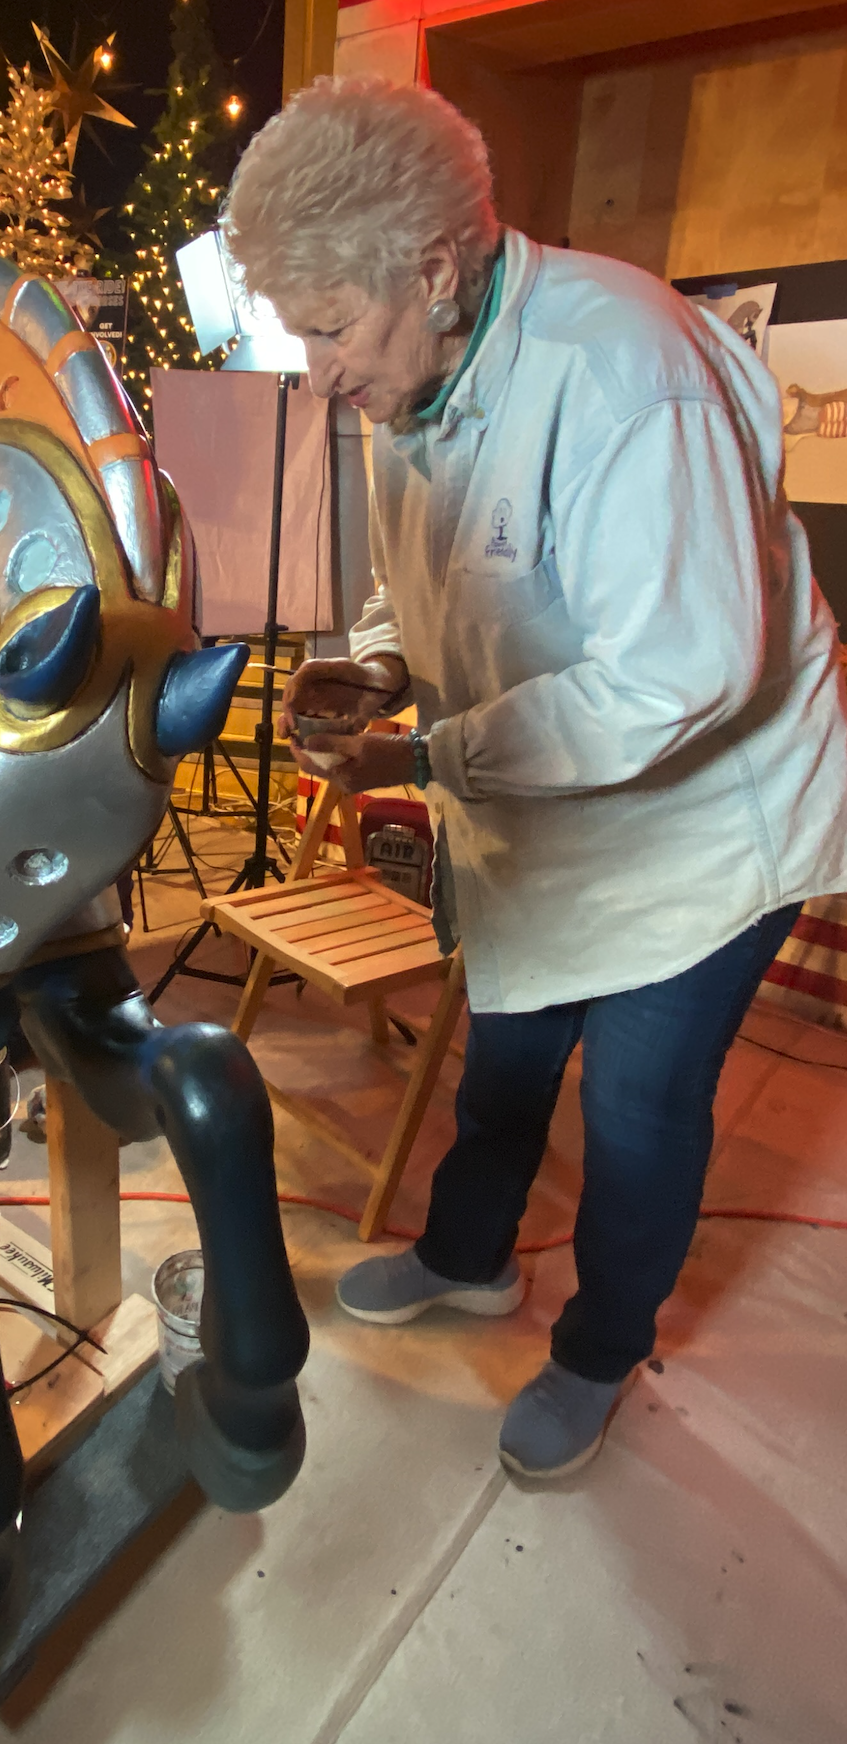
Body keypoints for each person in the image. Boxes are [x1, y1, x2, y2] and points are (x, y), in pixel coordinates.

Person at [221, 77, 847, 1479]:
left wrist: (428, 754)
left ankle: (599, 1345)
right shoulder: (410, 364)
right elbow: (418, 575)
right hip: (557, 799)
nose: (316, 371)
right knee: (507, 1047)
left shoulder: (626, 373)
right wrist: (376, 667)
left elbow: (677, 677)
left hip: (703, 826)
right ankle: (468, 1256)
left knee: (634, 1107)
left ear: (436, 269)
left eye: (329, 328)